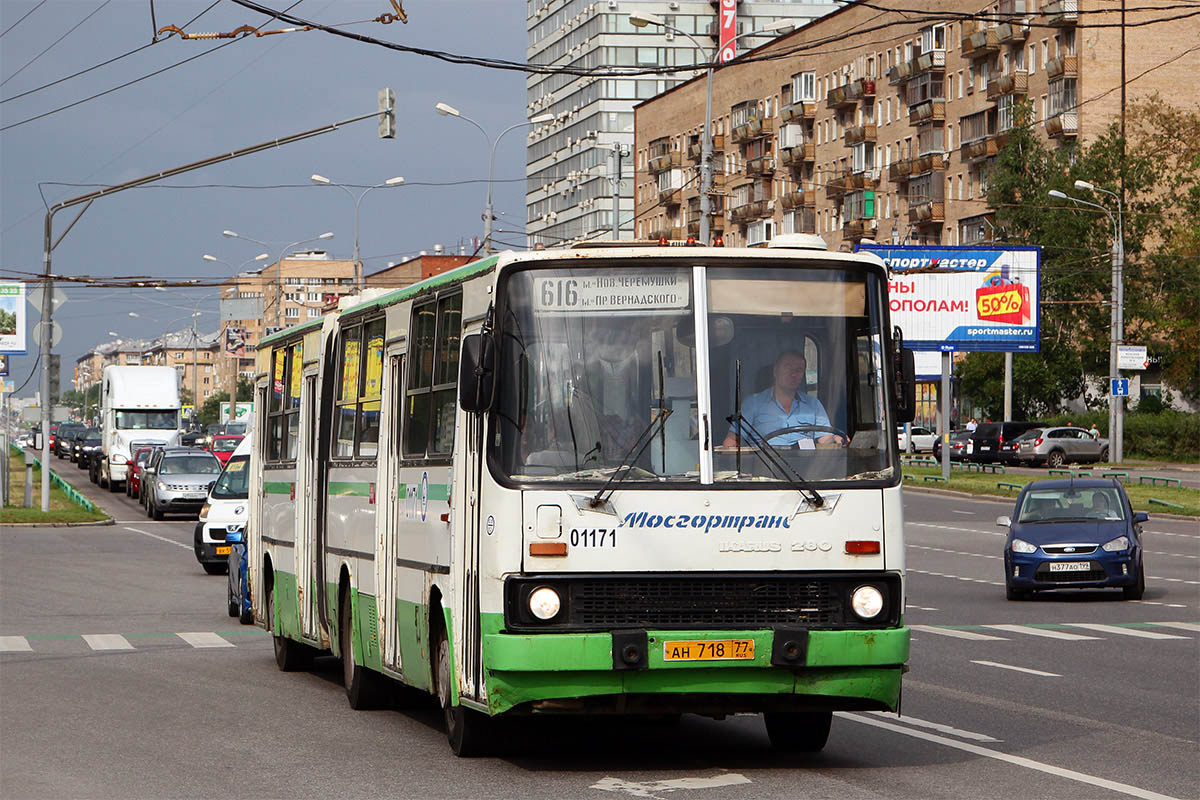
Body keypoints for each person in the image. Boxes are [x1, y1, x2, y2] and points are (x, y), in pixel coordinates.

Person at [723, 350, 842, 447]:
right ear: (775, 371)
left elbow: (824, 440)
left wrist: (836, 438)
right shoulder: (753, 403)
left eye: (799, 370)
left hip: (806, 468)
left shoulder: (813, 404)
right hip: (764, 468)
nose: (793, 373)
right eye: (788, 367)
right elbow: (732, 441)